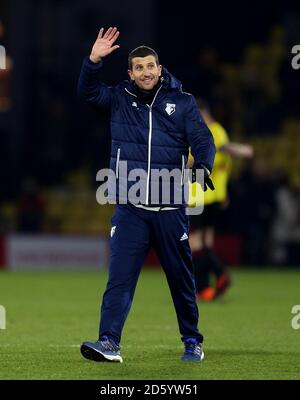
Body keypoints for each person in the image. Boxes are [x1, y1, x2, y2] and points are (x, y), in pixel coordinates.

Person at [77, 27, 216, 363]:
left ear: (159, 67)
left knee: (181, 283)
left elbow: (203, 140)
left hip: (170, 207)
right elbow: (88, 92)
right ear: (130, 73)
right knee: (119, 280)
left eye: (149, 66)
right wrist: (93, 61)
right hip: (131, 208)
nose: (145, 72)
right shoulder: (119, 98)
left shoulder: (182, 103)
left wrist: (204, 166)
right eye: (138, 67)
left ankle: (192, 341)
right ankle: (109, 342)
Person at [188, 99, 253, 301]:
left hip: (201, 195)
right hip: (214, 196)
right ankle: (213, 281)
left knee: (194, 243)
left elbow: (204, 161)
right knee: (205, 242)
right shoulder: (219, 131)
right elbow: (225, 162)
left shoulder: (210, 131)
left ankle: (209, 282)